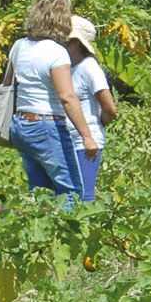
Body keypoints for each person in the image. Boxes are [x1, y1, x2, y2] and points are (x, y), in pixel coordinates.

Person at [4, 0, 99, 199]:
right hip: (47, 125)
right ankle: (68, 231)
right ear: (61, 20)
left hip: (21, 125)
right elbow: (67, 97)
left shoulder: (19, 46)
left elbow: (7, 85)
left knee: (40, 192)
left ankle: (40, 229)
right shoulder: (56, 52)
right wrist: (87, 136)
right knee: (71, 192)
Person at [65, 15, 117, 202]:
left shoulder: (89, 67)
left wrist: (97, 124)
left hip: (86, 143)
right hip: (68, 139)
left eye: (67, 40)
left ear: (78, 43)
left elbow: (110, 107)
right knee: (67, 198)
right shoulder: (67, 68)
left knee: (83, 197)